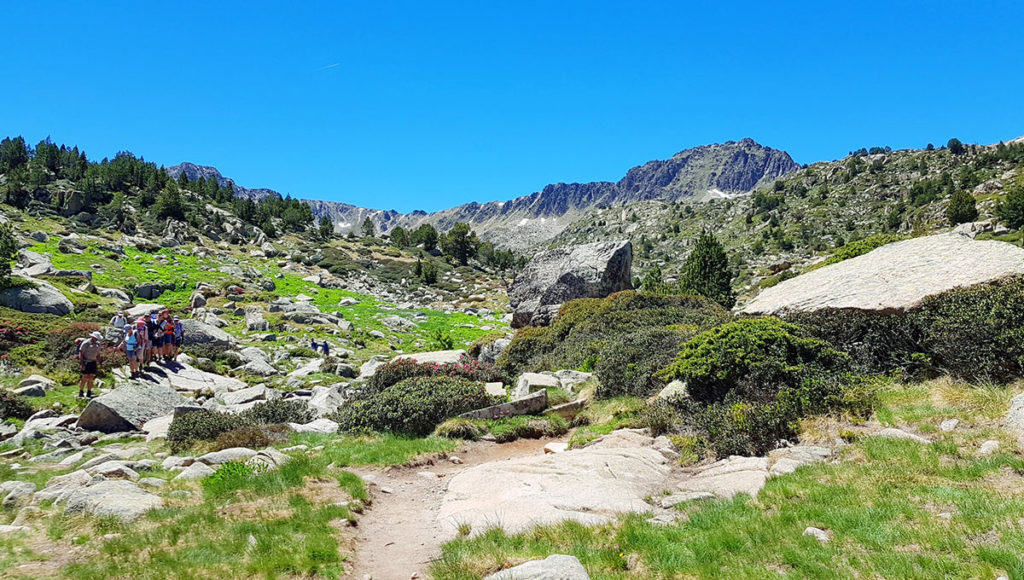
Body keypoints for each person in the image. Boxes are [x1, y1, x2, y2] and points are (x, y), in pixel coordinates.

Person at [78, 331, 103, 398]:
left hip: (93, 362)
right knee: (85, 377)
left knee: (91, 377)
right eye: (96, 338)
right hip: (86, 362)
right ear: (93, 337)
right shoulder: (86, 343)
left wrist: (100, 362)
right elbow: (81, 354)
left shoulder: (98, 344)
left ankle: (89, 391)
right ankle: (81, 391)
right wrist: (82, 364)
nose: (97, 340)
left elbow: (98, 354)